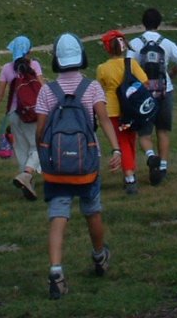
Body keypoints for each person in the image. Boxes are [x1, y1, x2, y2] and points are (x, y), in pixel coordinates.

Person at [35, 32, 121, 299]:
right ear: (81, 57)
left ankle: (56, 271)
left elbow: (40, 129)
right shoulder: (92, 88)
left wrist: (43, 153)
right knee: (92, 211)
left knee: (58, 215)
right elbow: (104, 120)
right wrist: (116, 148)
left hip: (57, 166)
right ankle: (99, 256)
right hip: (87, 165)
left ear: (56, 61)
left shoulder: (47, 90)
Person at [128, 8, 177, 185]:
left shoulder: (135, 43)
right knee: (163, 131)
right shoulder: (167, 43)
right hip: (165, 90)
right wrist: (174, 71)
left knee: (144, 133)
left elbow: (128, 67)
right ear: (159, 23)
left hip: (144, 92)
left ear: (143, 23)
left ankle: (150, 157)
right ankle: (162, 168)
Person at [0, 35, 44, 201]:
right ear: (29, 50)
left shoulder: (6, 69)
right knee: (39, 145)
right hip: (33, 113)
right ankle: (27, 175)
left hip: (14, 114)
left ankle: (27, 181)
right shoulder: (35, 65)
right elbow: (42, 89)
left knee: (22, 149)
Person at [95, 29, 153, 195]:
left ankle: (129, 178)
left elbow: (101, 89)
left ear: (107, 48)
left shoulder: (102, 68)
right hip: (132, 110)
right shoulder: (131, 63)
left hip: (113, 111)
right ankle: (130, 172)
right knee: (130, 141)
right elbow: (146, 83)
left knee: (122, 143)